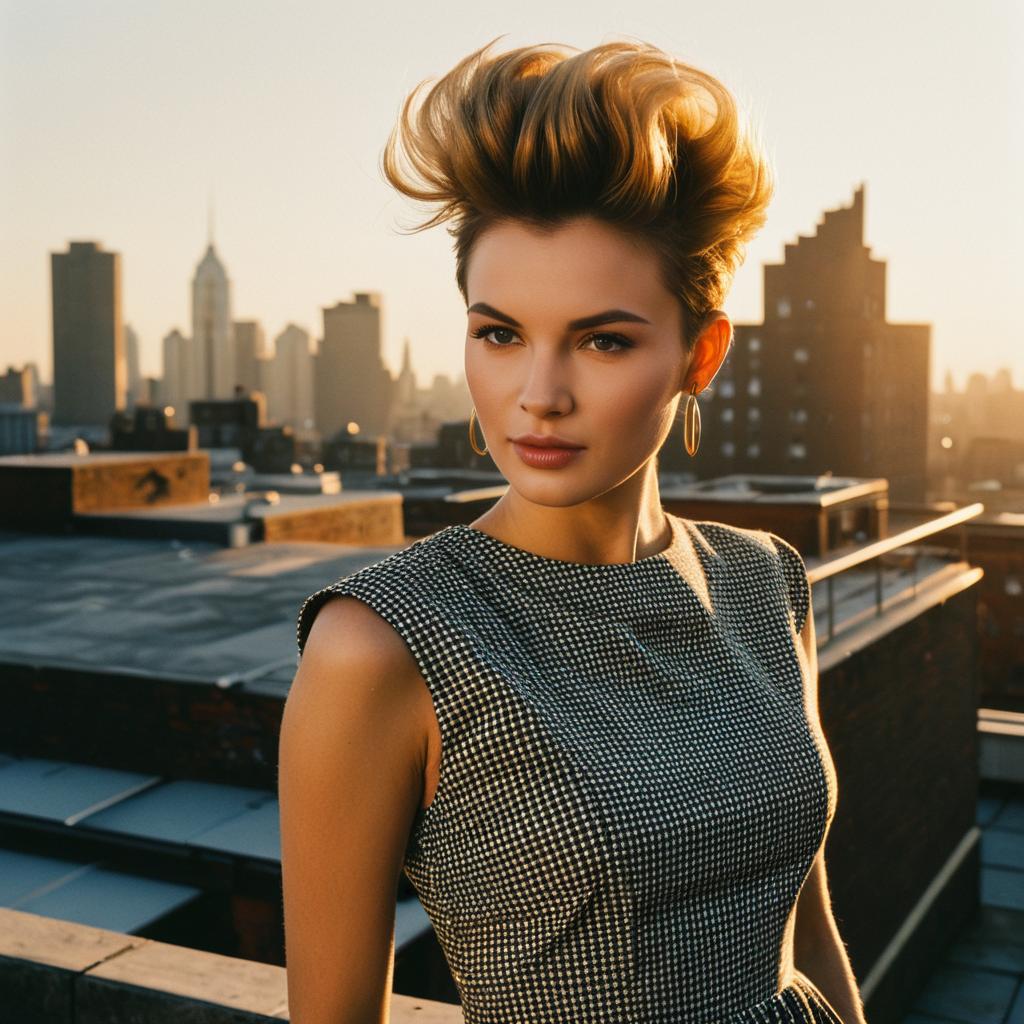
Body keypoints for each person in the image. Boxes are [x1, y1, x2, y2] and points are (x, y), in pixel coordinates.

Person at [279, 35, 867, 1024]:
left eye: (602, 340)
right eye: (500, 333)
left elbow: (806, 933)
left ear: (700, 354)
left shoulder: (765, 580)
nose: (538, 395)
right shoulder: (381, 645)